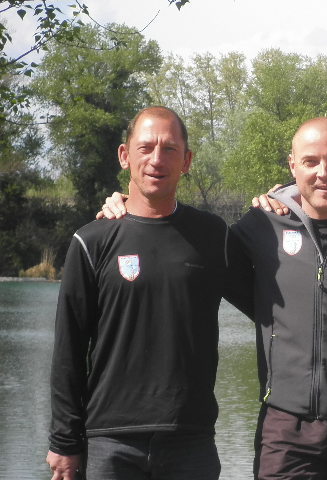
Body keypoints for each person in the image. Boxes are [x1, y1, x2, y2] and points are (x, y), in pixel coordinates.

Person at [100, 117, 327, 479]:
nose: (323, 172)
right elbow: (184, 242)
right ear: (293, 166)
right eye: (311, 161)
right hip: (285, 427)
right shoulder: (262, 224)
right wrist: (130, 205)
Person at [46, 106, 253, 480]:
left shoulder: (213, 236)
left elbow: (273, 307)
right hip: (110, 443)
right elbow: (68, 351)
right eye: (145, 148)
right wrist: (64, 440)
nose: (157, 159)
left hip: (190, 442)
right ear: (125, 156)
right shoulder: (91, 241)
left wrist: (284, 203)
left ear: (187, 160)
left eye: (170, 149)